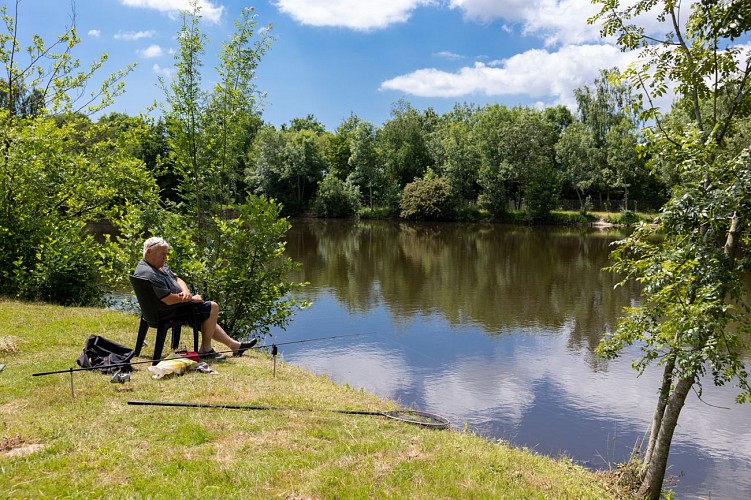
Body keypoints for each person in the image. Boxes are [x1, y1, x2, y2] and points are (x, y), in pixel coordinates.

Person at [134, 236, 256, 360]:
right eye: (163, 254)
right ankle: (206, 350)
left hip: (168, 307)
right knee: (212, 307)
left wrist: (186, 291)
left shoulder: (155, 265)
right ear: (149, 251)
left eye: (166, 254)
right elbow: (168, 299)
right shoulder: (149, 273)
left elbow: (177, 279)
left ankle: (236, 346)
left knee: (207, 312)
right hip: (169, 311)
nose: (165, 257)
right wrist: (191, 299)